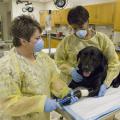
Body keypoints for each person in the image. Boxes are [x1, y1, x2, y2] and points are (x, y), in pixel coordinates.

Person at [0, 15, 78, 120]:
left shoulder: (42, 57)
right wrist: (40, 103)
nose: (41, 41)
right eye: (37, 38)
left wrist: (65, 92)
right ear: (23, 41)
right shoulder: (7, 66)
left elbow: (53, 79)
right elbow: (9, 104)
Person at [55, 6, 120, 97]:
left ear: (88, 22)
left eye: (81, 27)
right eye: (75, 28)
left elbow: (114, 63)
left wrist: (106, 83)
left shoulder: (102, 39)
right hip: (71, 81)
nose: (78, 31)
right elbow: (58, 60)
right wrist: (71, 71)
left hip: (94, 80)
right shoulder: (67, 41)